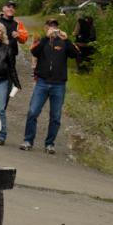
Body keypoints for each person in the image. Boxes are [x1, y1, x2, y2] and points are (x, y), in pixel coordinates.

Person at [21, 18, 80, 154]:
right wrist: (45, 39)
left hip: (58, 84)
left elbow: (75, 54)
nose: (52, 28)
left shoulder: (63, 42)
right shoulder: (42, 41)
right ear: (45, 28)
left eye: (55, 26)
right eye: (50, 26)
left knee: (55, 116)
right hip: (42, 82)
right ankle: (28, 140)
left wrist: (67, 39)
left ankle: (50, 144)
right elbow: (34, 52)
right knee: (33, 112)